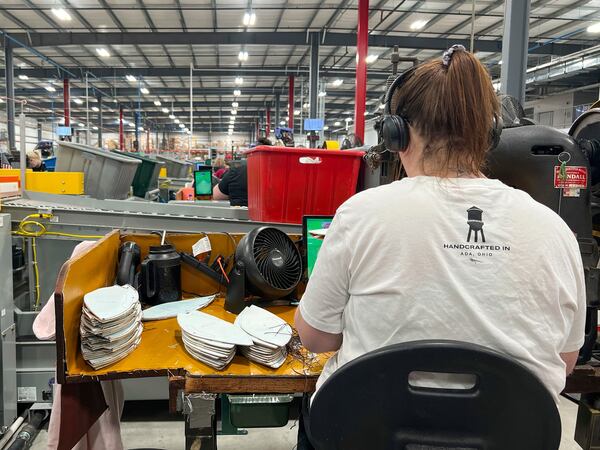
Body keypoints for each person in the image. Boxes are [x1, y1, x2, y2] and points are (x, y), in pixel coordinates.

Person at [294, 45, 585, 447]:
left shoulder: (361, 214)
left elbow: (315, 338)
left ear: (396, 134)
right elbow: (565, 362)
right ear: (492, 134)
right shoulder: (555, 231)